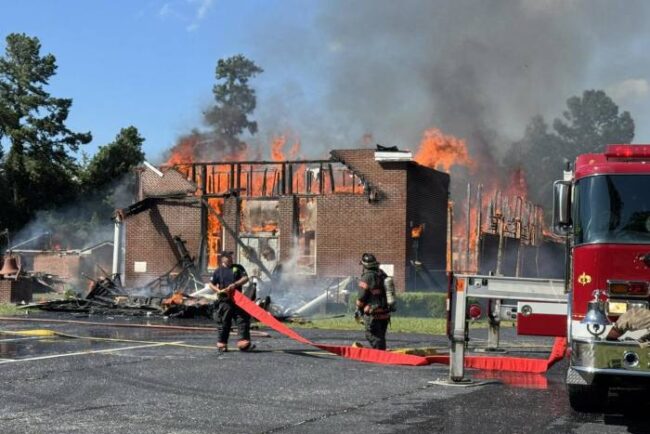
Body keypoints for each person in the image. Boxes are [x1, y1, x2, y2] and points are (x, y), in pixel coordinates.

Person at [209, 251, 253, 352]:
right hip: (225, 300)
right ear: (223, 259)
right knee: (224, 321)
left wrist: (235, 285)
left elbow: (245, 278)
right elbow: (211, 284)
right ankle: (222, 343)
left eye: (231, 257)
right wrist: (219, 291)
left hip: (238, 300)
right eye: (228, 257)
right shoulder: (218, 271)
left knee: (242, 320)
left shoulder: (238, 267)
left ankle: (243, 342)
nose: (231, 258)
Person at [355, 253, 391, 350]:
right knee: (380, 337)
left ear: (364, 265)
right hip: (385, 314)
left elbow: (361, 298)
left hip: (373, 314)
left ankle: (381, 355)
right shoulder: (382, 274)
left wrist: (358, 309)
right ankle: (381, 353)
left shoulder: (367, 277)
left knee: (372, 336)